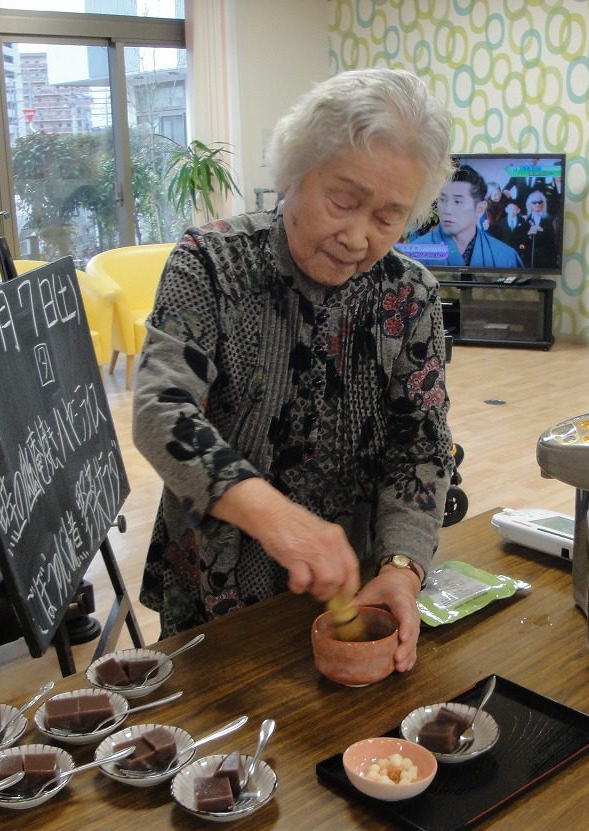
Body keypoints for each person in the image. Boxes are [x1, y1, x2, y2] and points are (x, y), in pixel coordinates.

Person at [132, 68, 455, 673]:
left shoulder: (410, 295)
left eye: (388, 218)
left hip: (353, 588)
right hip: (215, 592)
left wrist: (401, 568)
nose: (357, 237)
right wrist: (279, 519)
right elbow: (161, 412)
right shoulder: (211, 264)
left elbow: (421, 446)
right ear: (294, 172)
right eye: (343, 202)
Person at [405, 163, 522, 268]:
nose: (447, 210)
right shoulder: (413, 255)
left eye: (457, 201)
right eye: (443, 200)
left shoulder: (507, 258)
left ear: (480, 208)